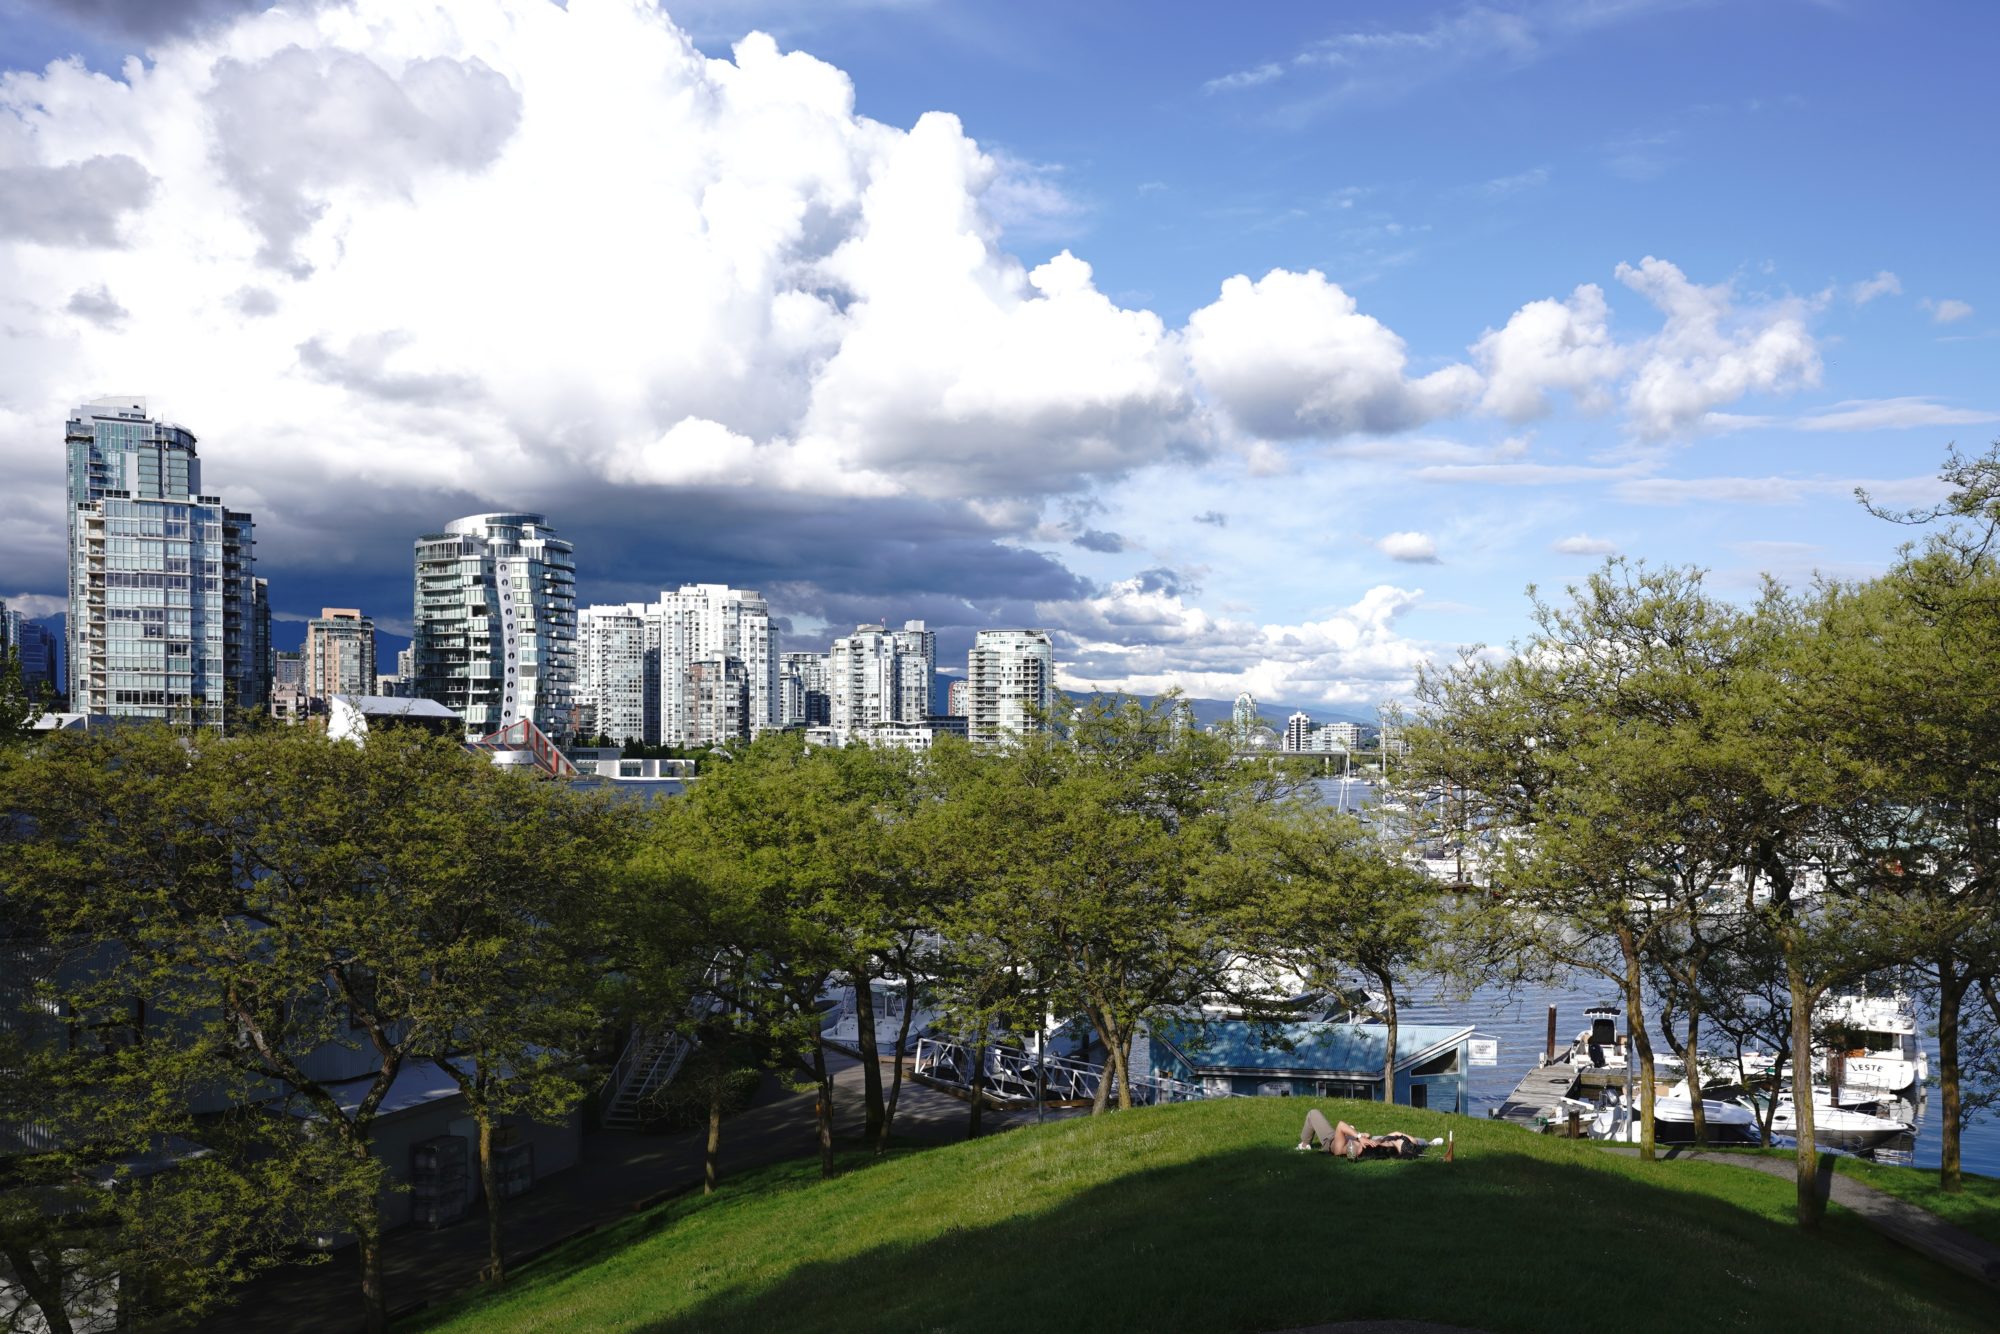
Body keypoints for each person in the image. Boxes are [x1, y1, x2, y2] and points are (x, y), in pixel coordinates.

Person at [1296, 1108, 1431, 1159]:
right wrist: (1362, 1137)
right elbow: (1395, 1135)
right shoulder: (1375, 1146)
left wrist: (1359, 1137)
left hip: (1331, 1139)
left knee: (1312, 1113)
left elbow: (1340, 1125)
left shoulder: (1339, 1148)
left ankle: (1304, 1144)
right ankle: (1427, 1142)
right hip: (1358, 1138)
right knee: (1400, 1139)